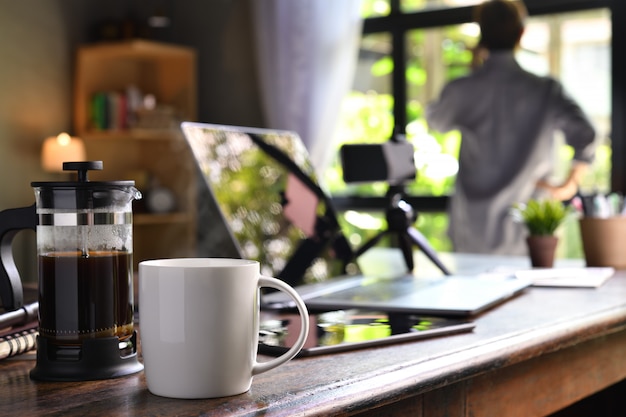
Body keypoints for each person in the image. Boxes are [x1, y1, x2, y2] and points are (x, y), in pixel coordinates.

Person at [425, 0, 597, 255]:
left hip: (473, 228)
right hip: (530, 227)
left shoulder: (463, 89)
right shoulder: (544, 90)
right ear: (521, 34)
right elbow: (587, 135)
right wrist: (570, 184)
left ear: (481, 34)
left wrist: (474, 69)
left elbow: (435, 122)